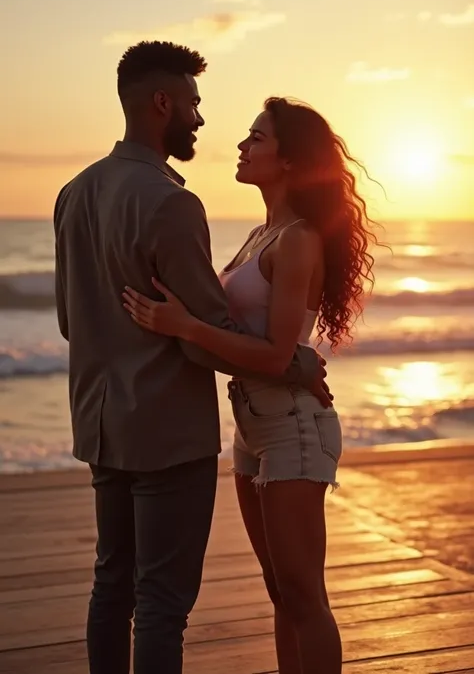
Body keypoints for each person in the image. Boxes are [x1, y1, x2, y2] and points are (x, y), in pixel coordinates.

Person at [53, 42, 330, 674]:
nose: (201, 120)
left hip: (99, 426)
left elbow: (72, 322)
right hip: (168, 435)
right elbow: (203, 328)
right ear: (162, 104)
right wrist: (296, 366)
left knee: (110, 585)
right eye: (194, 104)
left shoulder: (74, 192)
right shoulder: (172, 203)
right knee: (161, 603)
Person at [123, 96, 379, 674]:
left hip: (293, 425)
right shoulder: (261, 234)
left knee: (304, 595)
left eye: (256, 137)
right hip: (253, 426)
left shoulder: (298, 240)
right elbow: (246, 339)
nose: (241, 145)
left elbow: (274, 354)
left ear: (290, 161)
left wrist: (183, 324)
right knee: (278, 589)